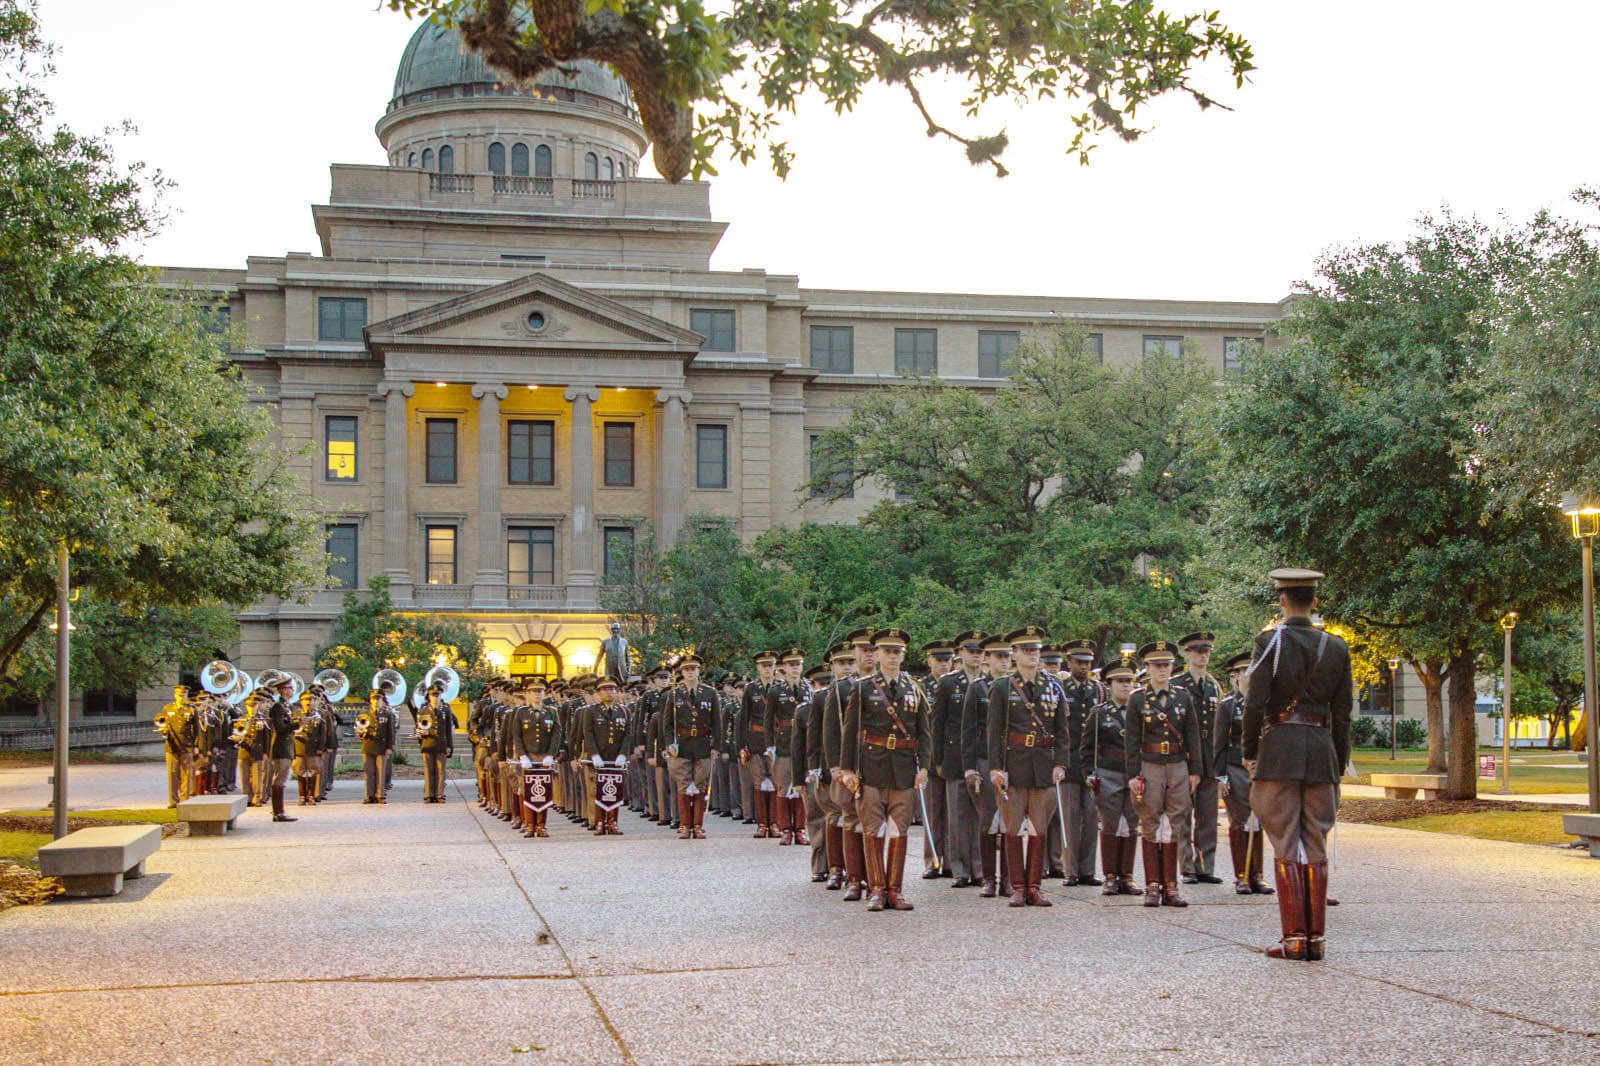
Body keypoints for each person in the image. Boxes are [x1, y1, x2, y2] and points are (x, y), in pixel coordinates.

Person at [1243, 567, 1353, 962]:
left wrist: (1250, 751)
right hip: (1320, 750)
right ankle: (1316, 941)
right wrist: (1338, 761)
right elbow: (1343, 713)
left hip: (1279, 751)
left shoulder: (1269, 643)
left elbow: (1255, 702)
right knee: (1315, 844)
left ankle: (1293, 939)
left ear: (1282, 601)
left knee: (1286, 843)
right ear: (1315, 602)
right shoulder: (1336, 647)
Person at [838, 628, 931, 912]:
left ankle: (896, 890)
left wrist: (924, 767)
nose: (892, 657)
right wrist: (847, 769)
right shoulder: (864, 687)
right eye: (887, 651)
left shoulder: (914, 688)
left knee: (898, 830)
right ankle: (876, 889)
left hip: (903, 768)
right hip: (872, 765)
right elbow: (850, 730)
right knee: (873, 828)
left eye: (897, 652)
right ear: (876, 654)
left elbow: (924, 732)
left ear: (903, 656)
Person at [987, 626, 1071, 907]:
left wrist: (1060, 762)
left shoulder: (1053, 686)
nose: (1032, 655)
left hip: (1044, 765)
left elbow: (1062, 730)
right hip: (1014, 763)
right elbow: (994, 730)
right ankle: (1017, 887)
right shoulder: (1002, 687)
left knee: (1038, 828)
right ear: (1014, 654)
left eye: (1035, 650)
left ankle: (1035, 886)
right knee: (1012, 828)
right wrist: (996, 767)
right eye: (1025, 650)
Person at [1127, 640, 1202, 908]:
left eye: (1166, 665)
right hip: (1150, 763)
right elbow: (1132, 740)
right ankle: (1152, 886)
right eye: (1157, 665)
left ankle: (1171, 886)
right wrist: (1133, 774)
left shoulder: (1183, 696)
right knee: (1150, 820)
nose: (1162, 670)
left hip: (1178, 763)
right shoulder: (1138, 698)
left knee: (1176, 821)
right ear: (1147, 668)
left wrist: (1196, 770)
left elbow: (1193, 734)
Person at [1083, 653, 1142, 896]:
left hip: (1134, 773)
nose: (1126, 686)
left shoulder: (1141, 711)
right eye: (1120, 682)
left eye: (1129, 681)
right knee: (1110, 825)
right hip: (1108, 773)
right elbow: (1087, 747)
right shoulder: (1099, 712)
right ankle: (1109, 877)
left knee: (1131, 824)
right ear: (1110, 685)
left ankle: (1126, 876)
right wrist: (1089, 773)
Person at [1213, 651, 1272, 895]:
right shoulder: (1228, 706)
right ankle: (1241, 876)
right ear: (1237, 676)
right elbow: (1218, 743)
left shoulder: (1266, 704)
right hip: (1236, 766)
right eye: (1245, 671)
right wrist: (1220, 775)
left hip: (1262, 767)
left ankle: (1257, 874)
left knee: (1258, 821)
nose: (1250, 675)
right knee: (1239, 821)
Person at [825, 629, 876, 901]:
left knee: (873, 820)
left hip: (878, 762)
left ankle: (875, 877)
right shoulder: (842, 688)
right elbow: (832, 730)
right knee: (851, 818)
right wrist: (836, 765)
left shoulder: (885, 685)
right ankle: (855, 878)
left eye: (872, 650)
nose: (868, 656)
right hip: (851, 763)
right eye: (863, 651)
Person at [961, 633, 1013, 899]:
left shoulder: (1015, 686)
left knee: (1008, 820)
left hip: (1009, 759)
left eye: (1007, 657)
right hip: (983, 758)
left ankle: (1007, 878)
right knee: (987, 819)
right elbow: (968, 730)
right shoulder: (978, 687)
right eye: (998, 657)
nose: (1003, 662)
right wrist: (969, 767)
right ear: (988, 659)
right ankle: (988, 878)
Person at [931, 632, 984, 887]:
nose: (975, 655)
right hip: (955, 756)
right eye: (970, 651)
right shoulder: (948, 683)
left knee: (983, 816)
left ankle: (980, 867)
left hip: (982, 756)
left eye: (979, 651)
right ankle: (961, 869)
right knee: (958, 816)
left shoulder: (990, 683)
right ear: (960, 654)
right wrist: (937, 760)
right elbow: (937, 724)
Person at [1174, 631, 1224, 885]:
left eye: (1205, 652)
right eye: (1197, 652)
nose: (1202, 656)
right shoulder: (1177, 683)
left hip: (1210, 754)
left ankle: (1205, 866)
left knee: (1208, 815)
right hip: (1184, 754)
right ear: (1187, 654)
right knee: (1183, 814)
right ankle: (1187, 867)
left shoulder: (1214, 685)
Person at [1058, 638, 1104, 887]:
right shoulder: (1060, 687)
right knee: (1070, 818)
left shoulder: (1098, 689)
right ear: (1069, 662)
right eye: (1078, 662)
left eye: (1087, 663)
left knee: (1091, 818)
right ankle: (1070, 870)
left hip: (1092, 762)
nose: (1084, 667)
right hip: (1069, 761)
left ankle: (1088, 870)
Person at [664, 654, 719, 839]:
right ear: (682, 672)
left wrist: (716, 746)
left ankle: (698, 825)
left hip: (703, 744)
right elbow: (667, 724)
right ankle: (685, 825)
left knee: (701, 784)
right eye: (686, 669)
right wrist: (669, 745)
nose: (690, 672)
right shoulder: (673, 693)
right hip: (682, 744)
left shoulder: (710, 693)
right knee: (683, 785)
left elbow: (716, 722)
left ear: (698, 670)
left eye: (693, 669)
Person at [918, 638, 955, 880]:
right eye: (938, 660)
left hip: (951, 755)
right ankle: (932, 860)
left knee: (952, 812)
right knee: (933, 811)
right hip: (930, 756)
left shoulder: (955, 685)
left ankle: (951, 861)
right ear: (929, 660)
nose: (943, 664)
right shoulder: (920, 687)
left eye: (947, 660)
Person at [763, 649, 809, 845]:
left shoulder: (809, 688)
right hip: (783, 743)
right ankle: (785, 830)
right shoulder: (776, 691)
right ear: (784, 667)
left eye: (798, 664)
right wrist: (770, 745)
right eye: (791, 665)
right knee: (783, 786)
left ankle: (800, 829)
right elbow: (768, 721)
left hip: (804, 744)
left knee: (803, 787)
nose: (795, 668)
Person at [511, 676, 562, 837]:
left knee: (543, 792)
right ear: (527, 694)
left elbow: (556, 734)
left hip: (544, 757)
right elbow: (517, 736)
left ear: (545, 693)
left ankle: (541, 825)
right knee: (527, 791)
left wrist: (551, 755)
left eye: (540, 691)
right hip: (528, 757)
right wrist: (522, 756)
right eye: (533, 691)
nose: (537, 695)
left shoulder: (551, 712)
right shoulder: (521, 712)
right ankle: (530, 824)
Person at [583, 676, 632, 835]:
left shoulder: (624, 711)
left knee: (615, 789)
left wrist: (623, 754)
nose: (609, 692)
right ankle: (599, 822)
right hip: (599, 756)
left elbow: (628, 735)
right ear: (598, 693)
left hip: (615, 756)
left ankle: (613, 822)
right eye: (605, 689)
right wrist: (594, 754)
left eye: (612, 689)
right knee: (598, 789)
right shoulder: (591, 711)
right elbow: (588, 734)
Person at [797, 662, 832, 882]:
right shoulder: (804, 711)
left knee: (838, 819)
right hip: (813, 771)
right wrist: (798, 778)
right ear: (811, 685)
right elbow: (798, 748)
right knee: (816, 817)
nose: (824, 687)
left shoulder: (842, 705)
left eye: (828, 683)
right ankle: (819, 865)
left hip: (835, 769)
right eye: (820, 683)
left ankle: (840, 864)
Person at [739, 651, 779, 835]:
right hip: (756, 739)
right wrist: (742, 745)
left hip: (778, 740)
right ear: (758, 668)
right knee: (759, 782)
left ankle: (776, 823)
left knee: (776, 780)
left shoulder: (781, 687)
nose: (767, 669)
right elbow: (743, 718)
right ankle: (762, 824)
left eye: (770, 665)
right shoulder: (751, 689)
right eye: (764, 666)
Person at [413, 680, 455, 802]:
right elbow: (417, 727)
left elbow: (448, 730)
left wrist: (449, 746)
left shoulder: (446, 709)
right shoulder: (423, 709)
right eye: (433, 695)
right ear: (429, 696)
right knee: (428, 770)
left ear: (441, 695)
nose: (435, 697)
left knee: (441, 771)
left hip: (441, 744)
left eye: (437, 695)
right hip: (428, 743)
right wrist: (420, 736)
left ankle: (439, 795)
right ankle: (429, 795)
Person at [264, 682, 298, 823]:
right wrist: (297, 724)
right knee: (279, 780)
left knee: (282, 779)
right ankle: (278, 812)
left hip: (287, 746)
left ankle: (280, 811)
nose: (292, 690)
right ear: (283, 690)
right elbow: (280, 727)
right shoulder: (278, 707)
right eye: (290, 688)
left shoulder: (287, 706)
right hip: (280, 746)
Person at [160, 686, 196, 808]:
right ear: (175, 695)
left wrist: (195, 745)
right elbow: (163, 722)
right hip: (171, 745)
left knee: (187, 774)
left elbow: (196, 729)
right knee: (172, 773)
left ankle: (185, 800)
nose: (181, 697)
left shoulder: (191, 709)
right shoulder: (168, 708)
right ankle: (173, 800)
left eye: (184, 695)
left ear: (187, 695)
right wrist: (163, 731)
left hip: (186, 745)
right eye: (179, 695)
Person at [359, 688, 396, 804]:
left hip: (382, 746)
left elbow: (391, 731)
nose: (376, 701)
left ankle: (380, 795)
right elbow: (359, 727)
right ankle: (369, 795)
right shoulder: (364, 713)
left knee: (381, 772)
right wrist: (360, 732)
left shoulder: (387, 713)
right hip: (368, 745)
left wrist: (390, 747)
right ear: (370, 700)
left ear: (382, 700)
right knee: (369, 772)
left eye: (378, 699)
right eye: (374, 699)